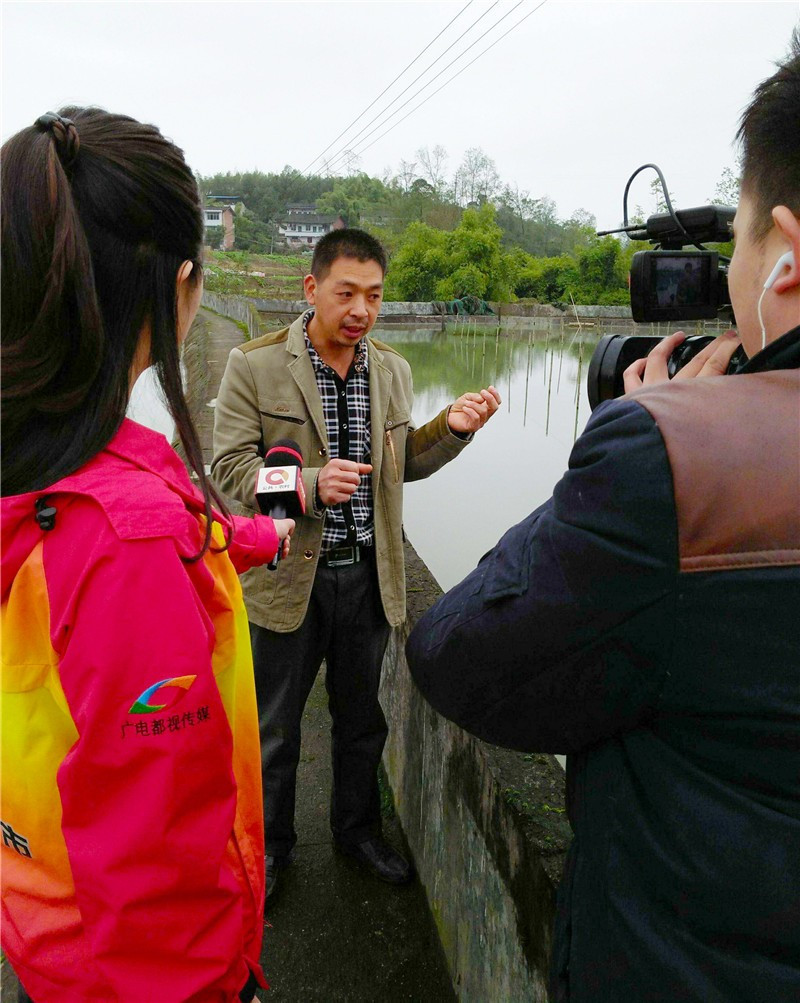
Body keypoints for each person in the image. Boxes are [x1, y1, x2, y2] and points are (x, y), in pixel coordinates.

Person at [406, 32, 800, 1003]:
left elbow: (459, 656)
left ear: (782, 258)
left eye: (737, 249)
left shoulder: (682, 463)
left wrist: (643, 432)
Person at [1, 108, 294, 1003]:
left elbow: (180, 535)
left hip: (45, 923)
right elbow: (156, 864)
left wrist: (258, 536)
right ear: (180, 285)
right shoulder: (126, 541)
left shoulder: (49, 468)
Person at [211, 228, 500, 897]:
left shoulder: (393, 370)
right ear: (312, 289)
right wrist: (310, 484)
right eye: (347, 293)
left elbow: (401, 468)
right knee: (274, 729)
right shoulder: (254, 365)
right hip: (288, 579)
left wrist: (452, 428)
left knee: (361, 718)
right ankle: (273, 848)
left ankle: (358, 832)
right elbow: (229, 470)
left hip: (367, 576)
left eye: (373, 294)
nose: (361, 309)